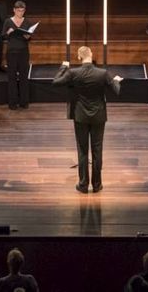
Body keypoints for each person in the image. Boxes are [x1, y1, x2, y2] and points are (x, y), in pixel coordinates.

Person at [54, 46, 124, 193]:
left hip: (80, 116)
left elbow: (56, 82)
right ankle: (97, 185)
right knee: (97, 150)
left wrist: (63, 67)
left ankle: (83, 185)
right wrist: (116, 81)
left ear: (79, 57)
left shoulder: (73, 73)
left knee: (83, 151)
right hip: (98, 116)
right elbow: (116, 92)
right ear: (91, 55)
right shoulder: (103, 73)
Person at [2, 1, 33, 110]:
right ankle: (13, 103)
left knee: (24, 77)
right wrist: (8, 33)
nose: (20, 13)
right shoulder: (8, 21)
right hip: (11, 52)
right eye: (18, 10)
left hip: (23, 52)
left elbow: (30, 37)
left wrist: (28, 37)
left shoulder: (27, 21)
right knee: (12, 77)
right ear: (14, 10)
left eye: (22, 11)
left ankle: (24, 102)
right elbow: (3, 37)